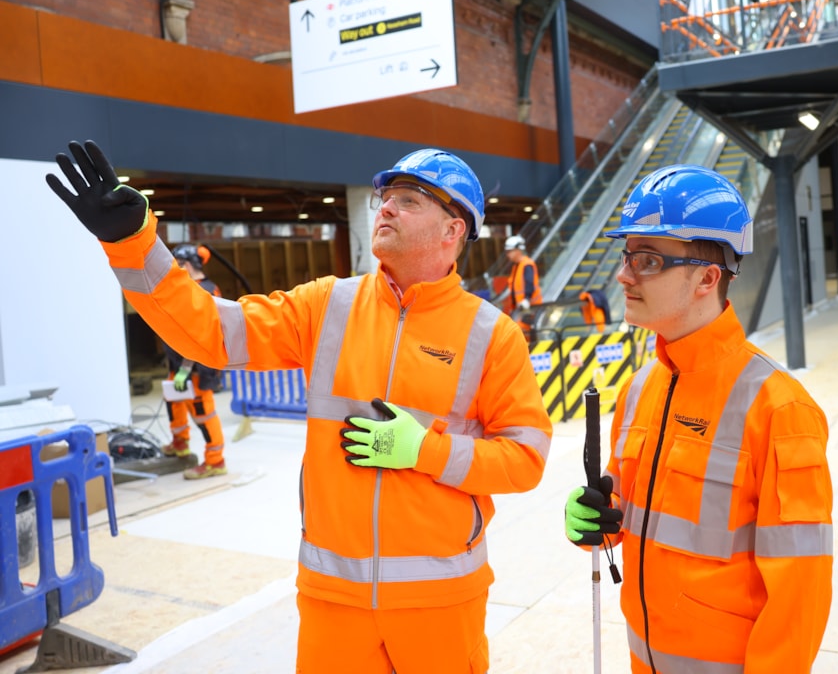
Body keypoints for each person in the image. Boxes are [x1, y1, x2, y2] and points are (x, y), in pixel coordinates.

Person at [47, 141, 553, 673]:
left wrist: (424, 451)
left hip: (439, 603)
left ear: (453, 230)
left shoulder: (490, 335)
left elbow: (526, 459)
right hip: (334, 601)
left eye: (409, 200)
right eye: (387, 196)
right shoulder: (328, 306)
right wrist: (131, 243)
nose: (385, 207)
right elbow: (212, 332)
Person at [563, 165, 833, 673]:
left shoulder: (780, 409)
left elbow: (802, 590)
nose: (623, 275)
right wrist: (598, 521)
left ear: (708, 278)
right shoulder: (638, 390)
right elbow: (629, 515)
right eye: (626, 257)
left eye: (646, 260)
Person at [160, 243, 228, 479]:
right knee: (174, 401)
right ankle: (180, 443)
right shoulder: (190, 287)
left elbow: (200, 335)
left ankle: (215, 460)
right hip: (179, 364)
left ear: (186, 265)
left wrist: (186, 368)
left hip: (198, 367)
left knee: (203, 413)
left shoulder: (205, 292)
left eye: (177, 265)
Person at [503, 235, 541, 315]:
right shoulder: (517, 266)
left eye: (510, 251)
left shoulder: (527, 264)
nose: (508, 254)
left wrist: (526, 299)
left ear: (518, 250)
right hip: (522, 309)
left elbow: (530, 283)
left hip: (531, 309)